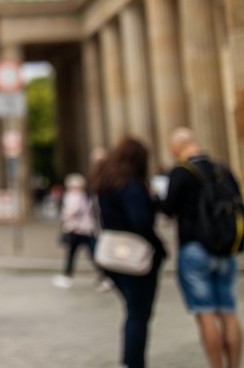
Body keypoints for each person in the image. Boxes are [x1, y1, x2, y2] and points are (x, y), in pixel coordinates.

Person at [159, 127, 242, 368]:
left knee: (205, 314)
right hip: (226, 248)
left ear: (176, 148)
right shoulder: (222, 169)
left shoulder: (181, 172)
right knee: (228, 311)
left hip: (195, 248)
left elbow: (167, 209)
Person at [92, 136, 167, 368]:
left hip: (111, 255)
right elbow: (141, 222)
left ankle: (130, 361)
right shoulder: (132, 184)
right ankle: (133, 363)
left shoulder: (106, 181)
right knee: (139, 314)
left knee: (133, 311)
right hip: (136, 257)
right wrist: (159, 248)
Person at [53, 172, 97, 289]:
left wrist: (64, 218)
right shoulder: (85, 195)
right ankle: (103, 276)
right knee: (91, 254)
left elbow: (70, 211)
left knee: (73, 254)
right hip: (87, 228)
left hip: (76, 229)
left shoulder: (73, 195)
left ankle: (67, 276)